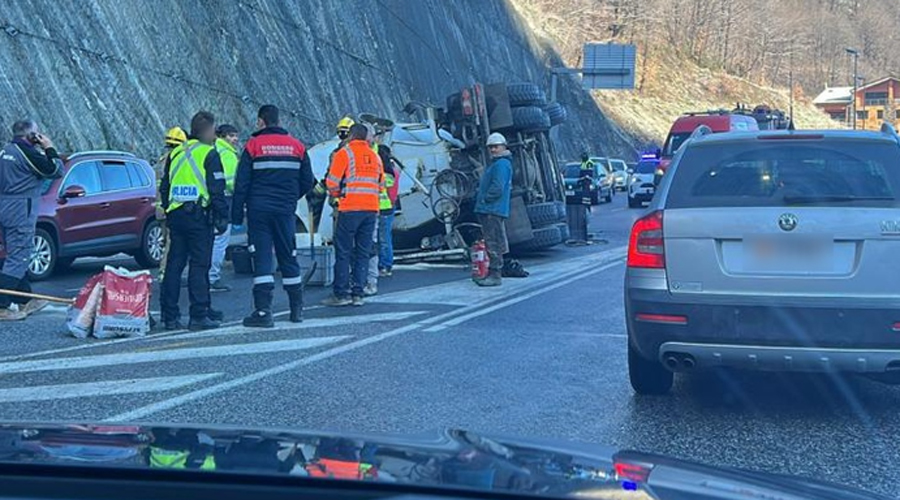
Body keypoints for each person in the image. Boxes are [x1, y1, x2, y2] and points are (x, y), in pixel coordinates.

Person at [232, 105, 314, 327]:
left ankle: (263, 312)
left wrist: (237, 214)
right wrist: (290, 197)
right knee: (288, 255)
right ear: (279, 120)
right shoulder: (297, 146)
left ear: (261, 121)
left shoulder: (254, 145)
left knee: (262, 258)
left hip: (259, 211)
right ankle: (297, 309)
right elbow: (308, 181)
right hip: (285, 210)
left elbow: (242, 183)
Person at [159, 111, 229, 331]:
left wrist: (168, 213)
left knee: (174, 265)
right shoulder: (209, 154)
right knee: (200, 266)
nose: (215, 136)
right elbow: (216, 190)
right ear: (207, 130)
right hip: (198, 216)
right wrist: (222, 216)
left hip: (177, 215)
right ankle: (199, 314)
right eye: (213, 131)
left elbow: (165, 186)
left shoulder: (176, 153)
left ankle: (170, 316)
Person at [0, 120, 63, 320]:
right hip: (20, 209)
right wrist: (49, 147)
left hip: (5, 207)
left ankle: (25, 299)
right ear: (31, 136)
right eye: (36, 134)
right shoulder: (27, 153)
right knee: (19, 256)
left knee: (16, 254)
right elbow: (55, 170)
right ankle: (2, 306)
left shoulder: (5, 151)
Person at [322, 123, 383, 307]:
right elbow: (381, 185)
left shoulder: (345, 154)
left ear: (350, 135)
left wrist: (337, 194)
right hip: (371, 209)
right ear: (365, 137)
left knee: (343, 251)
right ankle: (358, 293)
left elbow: (331, 182)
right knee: (363, 252)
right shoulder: (375, 156)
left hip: (349, 208)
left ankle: (341, 294)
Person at [154, 126, 187, 324]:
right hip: (172, 210)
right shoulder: (176, 158)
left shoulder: (161, 160)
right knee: (171, 250)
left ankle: (164, 273)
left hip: (161, 211)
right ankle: (166, 276)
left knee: (166, 245)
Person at [473, 133, 512, 287]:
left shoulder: (501, 164)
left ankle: (495, 275)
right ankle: (492, 272)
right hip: (492, 208)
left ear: (504, 146)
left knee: (493, 242)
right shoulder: (499, 164)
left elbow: (498, 187)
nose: (493, 150)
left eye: (496, 146)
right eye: (491, 147)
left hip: (492, 209)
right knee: (494, 241)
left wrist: (484, 200)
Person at [208, 124, 240, 293]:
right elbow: (230, 180)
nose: (235, 139)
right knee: (220, 241)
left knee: (211, 239)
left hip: (211, 200)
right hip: (225, 200)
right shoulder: (227, 154)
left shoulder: (212, 149)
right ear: (223, 137)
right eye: (232, 135)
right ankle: (213, 277)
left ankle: (206, 275)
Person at [375, 129, 398, 278]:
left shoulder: (386, 175)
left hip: (383, 207)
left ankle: (385, 265)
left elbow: (386, 185)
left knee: (382, 239)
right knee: (384, 238)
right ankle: (384, 264)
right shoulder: (393, 171)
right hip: (387, 207)